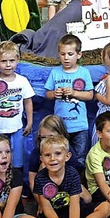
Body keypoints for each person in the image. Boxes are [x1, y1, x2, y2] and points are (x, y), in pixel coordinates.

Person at [35, 136, 110, 218]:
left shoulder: (73, 174)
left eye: (58, 154)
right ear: (41, 159)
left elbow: (75, 205)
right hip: (54, 216)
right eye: (47, 155)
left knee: (106, 207)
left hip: (73, 211)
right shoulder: (40, 178)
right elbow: (46, 207)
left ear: (67, 157)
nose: (52, 159)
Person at [0, 41, 34, 197]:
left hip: (17, 128)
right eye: (3, 61)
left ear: (18, 60)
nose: (8, 65)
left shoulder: (22, 81)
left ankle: (19, 186)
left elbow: (28, 101)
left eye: (12, 61)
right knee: (0, 160)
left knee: (19, 160)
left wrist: (29, 121)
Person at [45, 35, 94, 168]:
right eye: (63, 54)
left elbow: (90, 95)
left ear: (79, 55)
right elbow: (47, 94)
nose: (66, 57)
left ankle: (79, 185)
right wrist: (54, 93)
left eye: (70, 54)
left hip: (80, 126)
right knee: (60, 157)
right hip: (60, 127)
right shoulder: (55, 72)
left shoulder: (84, 72)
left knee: (80, 158)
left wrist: (74, 93)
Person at [28, 115, 90, 214]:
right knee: (45, 165)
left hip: (66, 185)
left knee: (87, 199)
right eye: (43, 138)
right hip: (45, 189)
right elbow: (32, 182)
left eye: (51, 137)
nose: (46, 141)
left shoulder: (68, 151)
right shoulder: (36, 153)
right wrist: (40, 202)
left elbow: (73, 176)